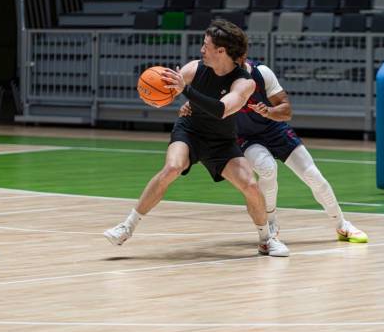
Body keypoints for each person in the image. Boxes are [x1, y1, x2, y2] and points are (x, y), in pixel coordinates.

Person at [104, 20, 289, 257]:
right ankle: (126, 227)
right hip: (190, 131)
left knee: (251, 186)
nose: (201, 49)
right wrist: (159, 94)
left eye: (206, 45)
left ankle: (266, 240)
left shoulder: (244, 82)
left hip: (221, 140)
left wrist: (188, 93)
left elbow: (222, 109)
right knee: (172, 167)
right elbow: (171, 88)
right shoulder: (194, 68)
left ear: (221, 51)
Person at [180, 57, 368, 243]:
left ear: (240, 57)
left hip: (274, 129)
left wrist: (269, 111)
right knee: (267, 168)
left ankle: (342, 225)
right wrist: (190, 108)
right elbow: (209, 106)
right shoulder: (216, 77)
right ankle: (270, 222)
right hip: (243, 136)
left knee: (313, 175)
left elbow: (287, 110)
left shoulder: (262, 73)